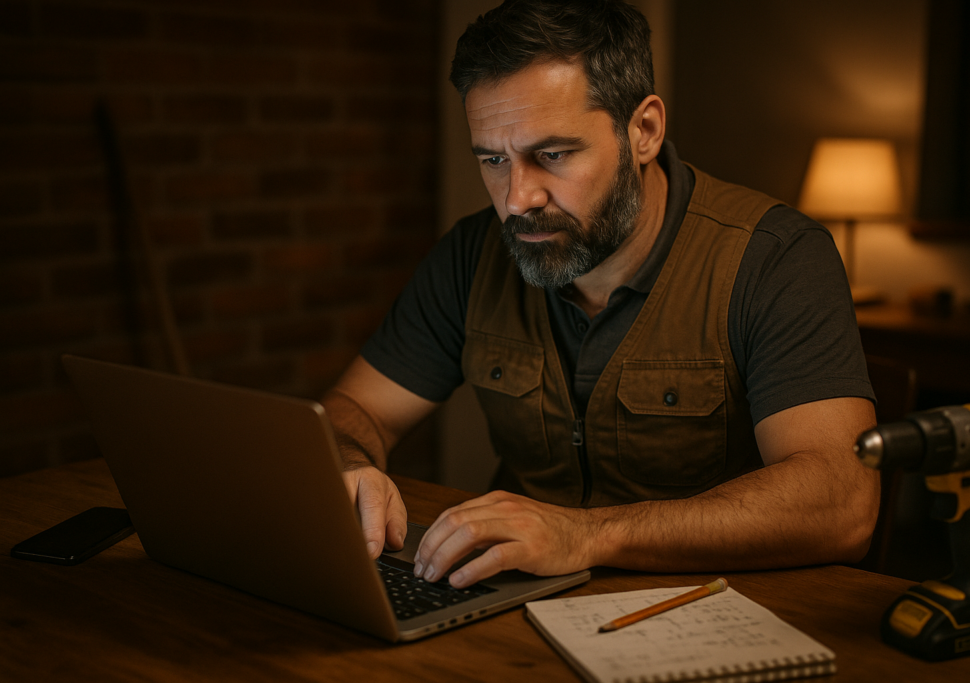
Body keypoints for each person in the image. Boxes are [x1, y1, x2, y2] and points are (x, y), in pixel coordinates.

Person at [321, 0, 879, 589]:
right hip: (509, 600)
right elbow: (353, 413)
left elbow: (842, 501)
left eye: (552, 155)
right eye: (492, 159)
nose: (516, 200)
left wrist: (584, 534)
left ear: (643, 131)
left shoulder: (775, 258)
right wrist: (352, 466)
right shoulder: (472, 254)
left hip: (706, 608)